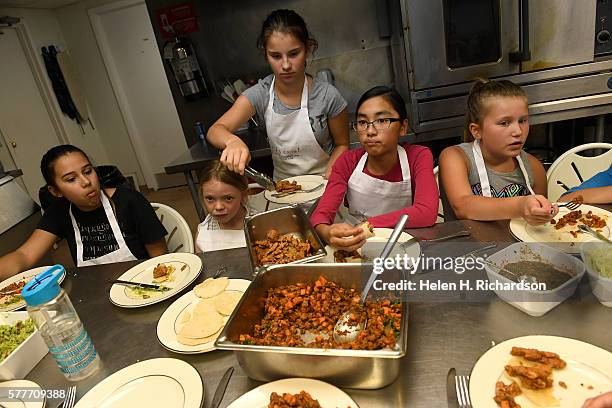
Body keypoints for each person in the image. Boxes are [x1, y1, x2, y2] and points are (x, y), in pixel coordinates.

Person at [207, 9, 349, 180]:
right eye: (276, 56)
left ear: (308, 49)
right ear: (265, 55)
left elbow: (342, 144)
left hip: (325, 186)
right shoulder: (261, 94)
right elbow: (215, 130)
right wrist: (232, 141)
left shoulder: (327, 96)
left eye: (294, 54)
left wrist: (330, 178)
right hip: (284, 191)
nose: (286, 65)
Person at [0, 145, 167, 280]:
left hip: (144, 283)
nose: (86, 182)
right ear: (56, 191)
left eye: (88, 171)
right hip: (96, 293)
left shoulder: (130, 202)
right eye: (71, 179)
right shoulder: (60, 211)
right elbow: (23, 255)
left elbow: (160, 262)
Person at [310, 86, 438, 252]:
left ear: (403, 127)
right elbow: (320, 216)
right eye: (363, 122)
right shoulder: (347, 162)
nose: (370, 131)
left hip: (403, 244)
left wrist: (368, 226)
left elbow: (426, 212)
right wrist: (326, 232)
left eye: (382, 121)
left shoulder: (418, 157)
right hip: (355, 245)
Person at [439, 79, 557, 225]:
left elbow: (538, 224)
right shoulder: (455, 157)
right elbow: (463, 206)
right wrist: (521, 206)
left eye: (522, 121)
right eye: (504, 123)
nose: (517, 131)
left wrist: (543, 213)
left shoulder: (534, 167)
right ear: (476, 131)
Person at [195, 161, 253, 252]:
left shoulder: (259, 225)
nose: (218, 207)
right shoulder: (203, 234)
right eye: (210, 198)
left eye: (228, 198)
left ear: (244, 195)